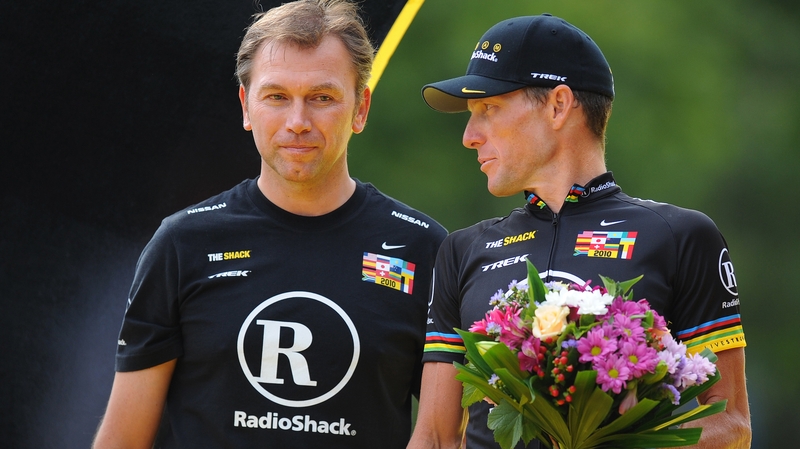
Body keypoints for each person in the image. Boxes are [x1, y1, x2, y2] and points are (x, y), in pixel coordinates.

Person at [92, 1, 446, 447]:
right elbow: (123, 440)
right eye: (277, 96)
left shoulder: (423, 249)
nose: (298, 122)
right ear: (246, 105)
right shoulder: (183, 244)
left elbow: (445, 433)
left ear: (360, 108)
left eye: (322, 98)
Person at [408, 13, 751, 449]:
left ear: (558, 105)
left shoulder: (681, 235)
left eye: (488, 109)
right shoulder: (462, 249)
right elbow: (436, 438)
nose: (470, 136)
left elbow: (732, 425)